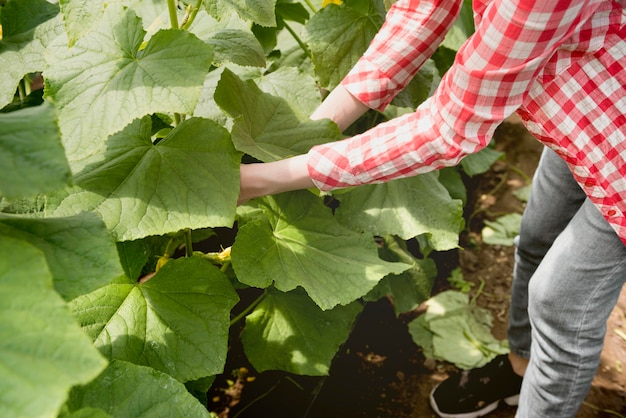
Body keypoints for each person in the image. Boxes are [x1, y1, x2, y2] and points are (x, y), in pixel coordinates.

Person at [238, 0, 626, 416]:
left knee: (558, 303)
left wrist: (260, 179)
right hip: (582, 112)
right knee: (535, 240)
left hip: (614, 134)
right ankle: (519, 369)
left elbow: (447, 130)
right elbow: (422, 11)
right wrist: (309, 137)